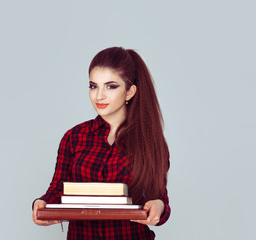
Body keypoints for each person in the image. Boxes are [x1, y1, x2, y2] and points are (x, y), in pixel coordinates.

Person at [32, 47, 171, 239]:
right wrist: (41, 203)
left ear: (130, 92)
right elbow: (56, 190)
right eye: (93, 86)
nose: (99, 96)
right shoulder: (74, 137)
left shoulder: (151, 143)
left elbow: (160, 200)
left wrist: (159, 207)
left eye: (111, 86)